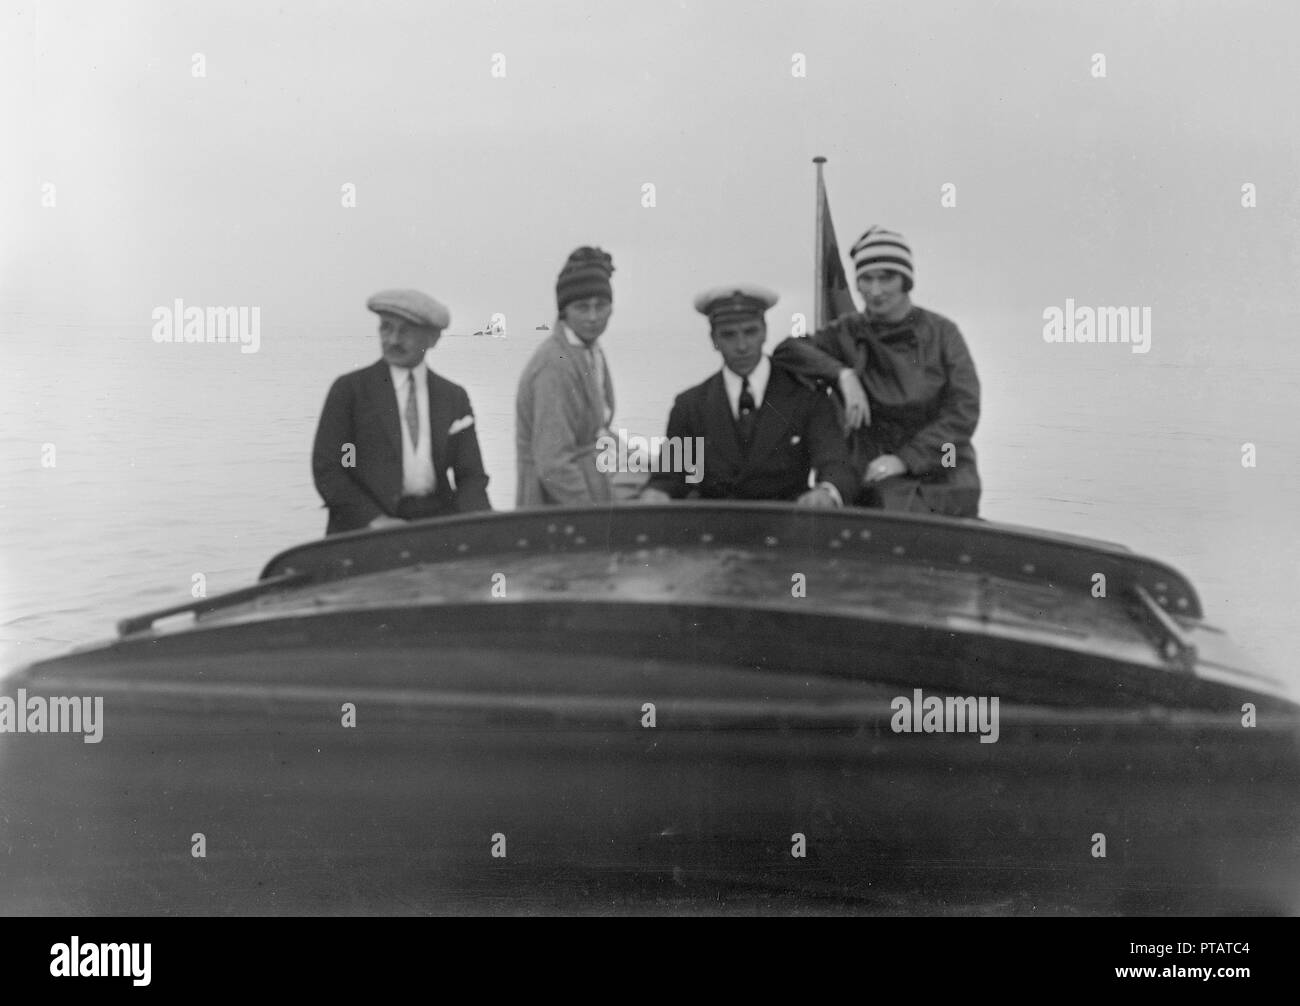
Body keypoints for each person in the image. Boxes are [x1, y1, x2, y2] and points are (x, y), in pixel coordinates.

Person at [771, 226, 982, 517]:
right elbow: (787, 350)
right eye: (866, 279)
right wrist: (842, 374)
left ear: (906, 280)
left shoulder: (943, 333)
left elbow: (964, 411)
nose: (875, 290)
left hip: (944, 467)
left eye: (886, 277)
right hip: (873, 470)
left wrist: (906, 459)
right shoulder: (847, 331)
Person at [640, 285, 858, 505]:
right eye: (729, 335)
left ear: (764, 331)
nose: (742, 346)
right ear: (713, 339)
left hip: (787, 530)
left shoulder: (806, 398)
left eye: (750, 332)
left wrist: (827, 493)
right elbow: (670, 477)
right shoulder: (691, 406)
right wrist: (657, 494)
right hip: (714, 531)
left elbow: (835, 465)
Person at [311, 289, 491, 535]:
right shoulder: (350, 392)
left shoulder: (453, 396)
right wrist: (374, 520)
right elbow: (332, 469)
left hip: (437, 527)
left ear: (433, 338)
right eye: (386, 328)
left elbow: (470, 475)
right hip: (363, 530)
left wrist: (478, 523)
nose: (393, 339)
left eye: (405, 331)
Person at [515, 246, 618, 506]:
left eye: (601, 306)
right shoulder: (555, 364)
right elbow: (553, 464)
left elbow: (597, 430)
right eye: (582, 307)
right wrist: (592, 518)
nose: (593, 317)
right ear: (564, 311)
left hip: (592, 482)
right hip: (555, 505)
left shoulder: (588, 350)